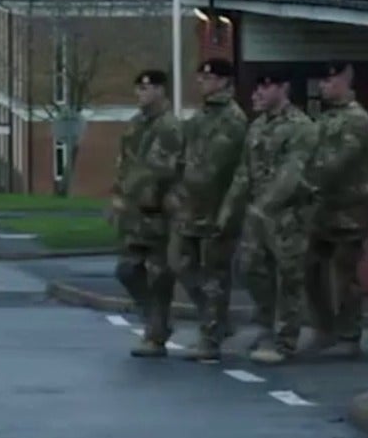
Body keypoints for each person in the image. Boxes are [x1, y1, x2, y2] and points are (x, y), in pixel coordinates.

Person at [216, 74, 316, 364]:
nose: (257, 93)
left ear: (284, 88)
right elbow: (244, 172)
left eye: (266, 87)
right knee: (250, 268)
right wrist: (228, 210)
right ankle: (266, 324)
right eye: (256, 87)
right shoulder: (257, 126)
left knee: (288, 276)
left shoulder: (301, 127)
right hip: (257, 213)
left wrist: (265, 206)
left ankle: (285, 340)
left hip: (289, 215)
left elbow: (292, 173)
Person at [171, 59, 248, 361]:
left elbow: (222, 169)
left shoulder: (233, 119)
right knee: (181, 264)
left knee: (215, 276)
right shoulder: (200, 117)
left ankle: (211, 338)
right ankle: (217, 321)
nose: (203, 82)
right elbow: (184, 156)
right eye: (201, 77)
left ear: (225, 81)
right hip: (191, 208)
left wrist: (227, 211)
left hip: (217, 209)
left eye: (210, 77)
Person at [303, 62, 368, 358]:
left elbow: (340, 161)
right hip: (323, 207)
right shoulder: (326, 118)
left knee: (344, 272)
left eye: (329, 81)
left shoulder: (357, 119)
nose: (323, 86)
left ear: (345, 81)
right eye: (322, 82)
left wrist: (305, 182)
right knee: (311, 267)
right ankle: (324, 329)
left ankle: (349, 334)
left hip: (350, 207)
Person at [110, 69, 184, 357]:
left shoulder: (170, 127)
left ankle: (156, 334)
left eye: (146, 88)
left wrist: (156, 200)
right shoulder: (135, 125)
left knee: (159, 275)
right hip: (134, 215)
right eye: (138, 88)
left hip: (159, 213)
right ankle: (154, 321)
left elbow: (165, 170)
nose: (140, 93)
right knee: (127, 270)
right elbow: (124, 164)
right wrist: (118, 195)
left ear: (161, 91)